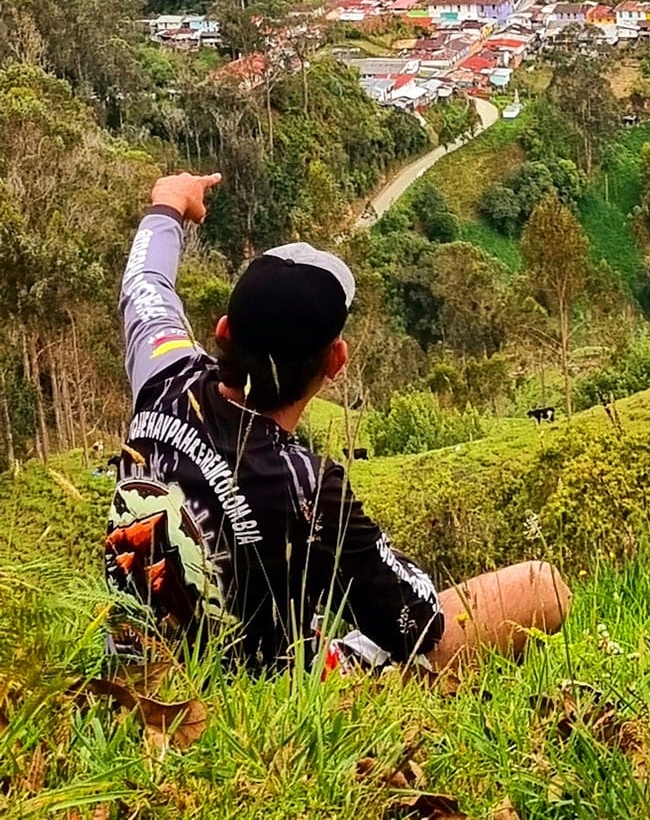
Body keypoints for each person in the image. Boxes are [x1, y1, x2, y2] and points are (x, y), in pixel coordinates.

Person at [106, 171, 569, 673]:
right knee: (541, 587)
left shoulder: (165, 374)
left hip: (136, 680)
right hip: (260, 708)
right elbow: (412, 623)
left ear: (222, 331)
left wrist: (168, 201)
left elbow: (144, 285)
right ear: (335, 363)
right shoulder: (310, 490)